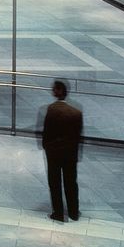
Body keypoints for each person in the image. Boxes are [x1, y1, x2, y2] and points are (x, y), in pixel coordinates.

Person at [39, 79, 84, 222]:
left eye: (54, 89)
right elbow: (78, 136)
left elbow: (46, 132)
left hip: (54, 153)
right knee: (71, 183)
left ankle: (58, 212)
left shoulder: (51, 110)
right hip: (70, 154)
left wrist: (46, 147)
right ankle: (74, 212)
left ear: (58, 91)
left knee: (55, 183)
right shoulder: (77, 112)